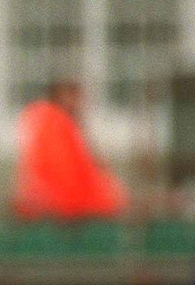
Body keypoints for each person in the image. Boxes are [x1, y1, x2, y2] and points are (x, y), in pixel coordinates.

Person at [12, 80, 128, 220]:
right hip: (66, 212)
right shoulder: (53, 124)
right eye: (73, 96)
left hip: (70, 209)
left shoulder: (62, 125)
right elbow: (62, 172)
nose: (78, 104)